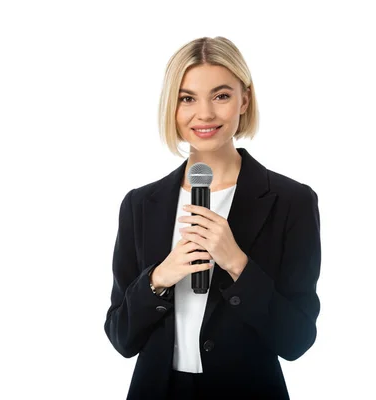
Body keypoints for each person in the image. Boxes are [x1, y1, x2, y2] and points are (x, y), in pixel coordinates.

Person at [104, 36, 321, 400]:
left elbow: (296, 340)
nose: (204, 114)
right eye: (187, 98)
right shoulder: (140, 204)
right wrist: (159, 278)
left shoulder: (291, 201)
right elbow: (121, 337)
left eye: (221, 96)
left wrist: (237, 263)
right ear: (172, 107)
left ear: (244, 100)